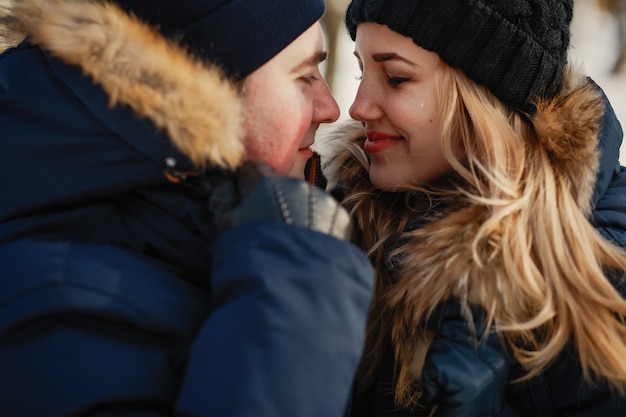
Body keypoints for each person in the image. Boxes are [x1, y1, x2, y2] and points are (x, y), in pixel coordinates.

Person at [0, 0, 375, 416]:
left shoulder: (190, 245)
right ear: (199, 102)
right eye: (304, 77)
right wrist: (301, 287)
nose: (331, 107)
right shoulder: (56, 311)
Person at [320, 0, 626, 416]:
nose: (358, 107)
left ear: (485, 93)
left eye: (395, 78)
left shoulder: (602, 278)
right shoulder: (349, 226)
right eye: (361, 71)